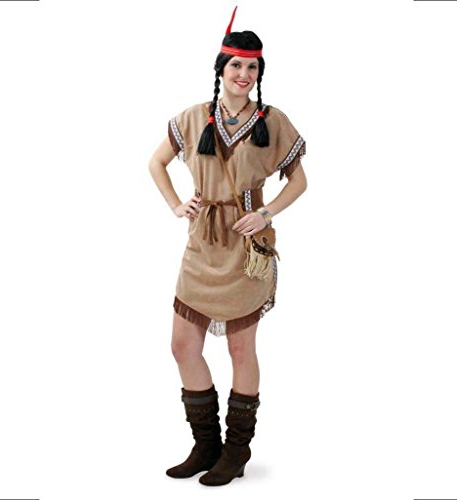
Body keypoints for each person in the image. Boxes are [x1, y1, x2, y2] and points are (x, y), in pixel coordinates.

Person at [148, 6, 307, 486]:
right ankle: (206, 445)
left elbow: (299, 181)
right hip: (201, 244)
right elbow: (156, 163)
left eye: (252, 67)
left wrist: (266, 212)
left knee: (241, 347)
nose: (244, 74)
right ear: (221, 68)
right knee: (182, 345)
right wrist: (177, 204)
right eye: (236, 64)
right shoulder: (193, 117)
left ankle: (236, 449)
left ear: (259, 73)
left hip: (246, 249)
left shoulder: (272, 121)